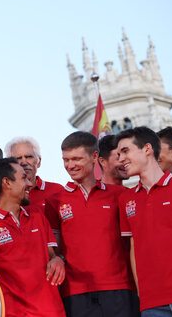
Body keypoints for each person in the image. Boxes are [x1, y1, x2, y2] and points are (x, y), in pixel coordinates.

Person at [45, 131, 136, 316]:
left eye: (77, 159)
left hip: (119, 288)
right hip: (75, 292)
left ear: (95, 156)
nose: (70, 165)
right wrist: (57, 258)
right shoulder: (55, 201)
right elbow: (54, 248)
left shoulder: (119, 194)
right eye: (66, 160)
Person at [0, 158, 65, 317]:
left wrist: (58, 259)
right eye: (23, 178)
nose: (29, 184)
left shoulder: (38, 215)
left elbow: (52, 255)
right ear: (7, 182)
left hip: (53, 312)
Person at [116, 126, 172, 316]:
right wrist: (143, 294)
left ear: (147, 149)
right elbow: (134, 247)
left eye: (125, 151)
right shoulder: (126, 200)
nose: (120, 160)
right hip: (152, 304)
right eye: (118, 154)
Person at [5, 136, 63, 211]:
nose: (24, 162)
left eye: (29, 157)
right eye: (18, 158)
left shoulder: (57, 191)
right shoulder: (2, 196)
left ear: (39, 162)